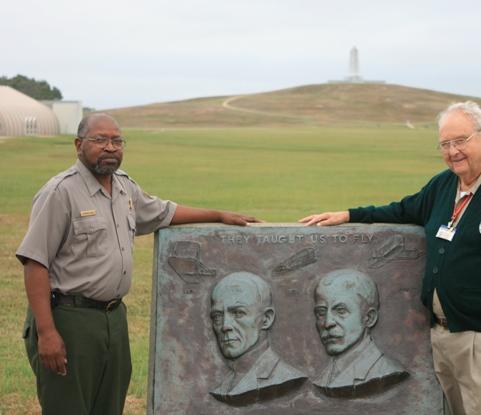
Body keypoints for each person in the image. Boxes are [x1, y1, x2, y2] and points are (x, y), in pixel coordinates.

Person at [300, 101, 481, 414]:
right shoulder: (444, 185)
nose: (453, 151)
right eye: (445, 144)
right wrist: (349, 214)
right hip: (445, 339)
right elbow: (403, 209)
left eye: (461, 141)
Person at [16, 113, 262, 415]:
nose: (110, 147)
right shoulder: (60, 192)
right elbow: (34, 263)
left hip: (113, 318)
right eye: (100, 140)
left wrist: (219, 215)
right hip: (69, 318)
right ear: (79, 145)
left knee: (109, 405)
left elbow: (165, 212)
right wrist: (47, 332)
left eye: (117, 141)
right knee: (67, 407)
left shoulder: (124, 188)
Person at [209, 272, 307, 405]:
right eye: (217, 316)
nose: (225, 326)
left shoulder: (285, 377)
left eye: (238, 313)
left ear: (266, 319)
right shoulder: (222, 387)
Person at [312, 269, 408, 398]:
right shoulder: (322, 379)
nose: (327, 323)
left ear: (369, 318)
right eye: (321, 312)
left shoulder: (385, 371)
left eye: (340, 310)